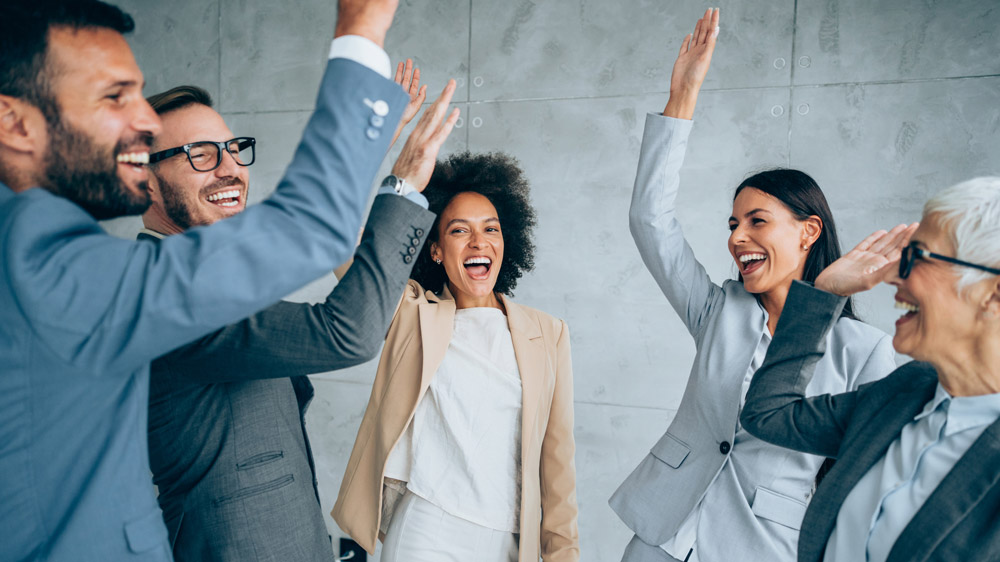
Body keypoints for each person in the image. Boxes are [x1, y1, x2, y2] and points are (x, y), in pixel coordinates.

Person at [0, 0, 410, 559]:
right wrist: (361, 32)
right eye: (114, 97)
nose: (142, 122)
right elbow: (312, 231)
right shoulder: (43, 260)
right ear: (15, 122)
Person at [608, 9, 897, 562]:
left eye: (757, 221)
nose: (738, 237)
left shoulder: (863, 353)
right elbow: (650, 222)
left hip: (761, 546)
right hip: (663, 536)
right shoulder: (719, 310)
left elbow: (874, 475)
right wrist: (683, 97)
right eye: (733, 224)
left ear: (808, 231)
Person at [141, 77, 457, 562]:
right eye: (201, 155)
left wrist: (368, 147)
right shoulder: (165, 294)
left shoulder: (203, 269)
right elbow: (346, 332)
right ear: (142, 180)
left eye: (231, 150)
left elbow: (301, 227)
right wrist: (404, 185)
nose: (230, 170)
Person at [332, 152, 579, 562]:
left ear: (505, 241)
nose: (479, 242)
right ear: (435, 250)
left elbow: (558, 467)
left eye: (491, 229)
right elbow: (342, 241)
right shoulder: (414, 315)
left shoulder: (547, 334)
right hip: (428, 529)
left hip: (509, 539)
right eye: (459, 230)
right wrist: (403, 179)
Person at [740, 178, 1000, 561]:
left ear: (991, 294)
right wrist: (823, 294)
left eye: (918, 258)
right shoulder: (906, 393)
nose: (893, 276)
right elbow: (769, 414)